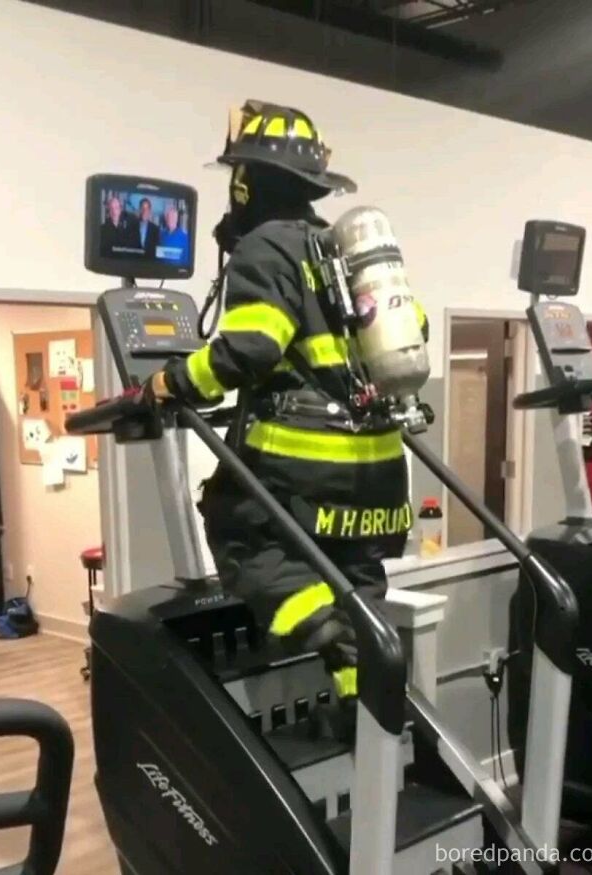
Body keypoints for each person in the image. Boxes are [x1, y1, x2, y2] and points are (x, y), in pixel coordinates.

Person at [146, 100, 428, 737]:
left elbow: (248, 349)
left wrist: (168, 382)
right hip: (379, 477)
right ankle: (367, 711)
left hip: (308, 472)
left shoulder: (266, 247)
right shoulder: (341, 253)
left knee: (237, 527)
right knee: (359, 581)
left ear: (246, 181)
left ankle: (326, 637)